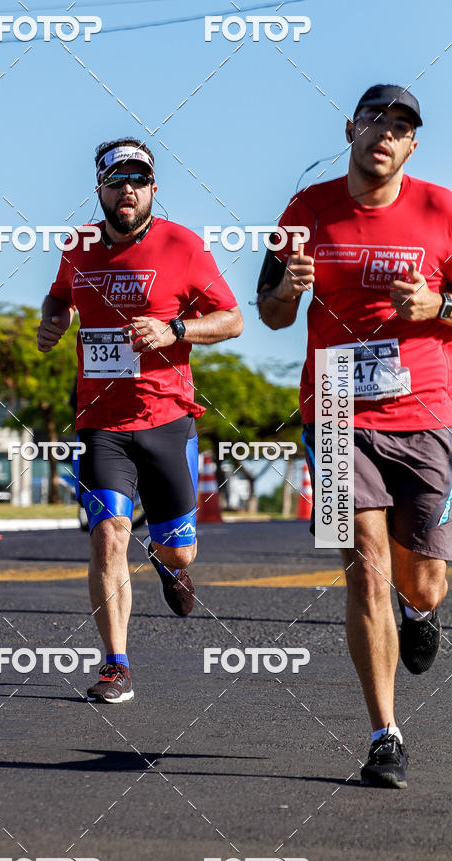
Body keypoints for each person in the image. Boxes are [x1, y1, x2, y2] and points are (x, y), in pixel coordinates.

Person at [257, 85, 452, 788]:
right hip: (336, 412)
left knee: (423, 580)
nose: (385, 134)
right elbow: (272, 313)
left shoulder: (442, 209)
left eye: (401, 127)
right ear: (351, 128)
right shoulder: (305, 212)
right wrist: (289, 293)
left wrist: (439, 304)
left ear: (411, 146)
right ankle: (384, 734)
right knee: (363, 566)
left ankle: (419, 610)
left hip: (425, 414)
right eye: (376, 119)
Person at [38, 137, 243, 703]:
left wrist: (176, 330)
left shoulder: (183, 245)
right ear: (99, 190)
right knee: (108, 535)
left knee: (180, 550)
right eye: (116, 180)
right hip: (101, 422)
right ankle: (115, 664)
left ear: (154, 189)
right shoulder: (77, 246)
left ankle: (168, 561)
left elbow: (232, 320)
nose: (127, 190)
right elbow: (59, 297)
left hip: (167, 419)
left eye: (138, 180)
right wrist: (52, 321)